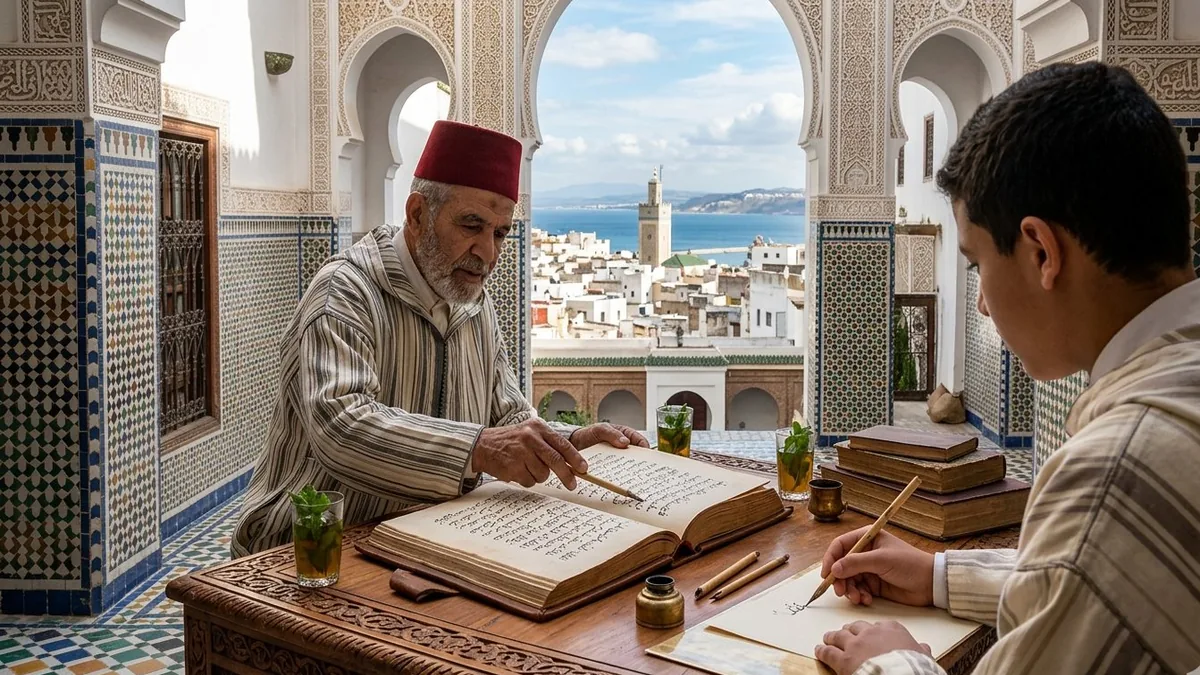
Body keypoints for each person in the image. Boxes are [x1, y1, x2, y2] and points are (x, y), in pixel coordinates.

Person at [815, 63, 1200, 674]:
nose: (982, 302)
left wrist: (891, 663)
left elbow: (1097, 545)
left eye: (977, 264)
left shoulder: (1117, 467)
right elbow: (1094, 580)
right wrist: (937, 575)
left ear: (1041, 252)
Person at [232, 120, 647, 557]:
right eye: (472, 225)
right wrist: (478, 450)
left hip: (421, 545)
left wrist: (571, 443)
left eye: (500, 233)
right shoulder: (345, 291)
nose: (488, 253)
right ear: (417, 215)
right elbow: (341, 427)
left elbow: (508, 417)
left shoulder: (474, 303)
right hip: (309, 552)